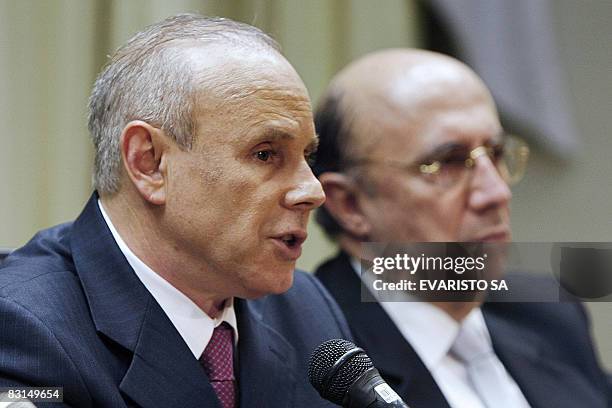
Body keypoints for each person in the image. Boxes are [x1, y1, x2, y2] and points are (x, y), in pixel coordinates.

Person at [0, 14, 352, 408]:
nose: (311, 191)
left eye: (307, 156)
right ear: (149, 163)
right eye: (266, 154)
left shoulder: (305, 308)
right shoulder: (23, 327)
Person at [312, 49, 611, 408]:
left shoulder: (548, 316)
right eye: (448, 163)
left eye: (496, 153)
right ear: (350, 204)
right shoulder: (319, 357)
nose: (497, 193)